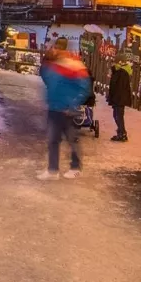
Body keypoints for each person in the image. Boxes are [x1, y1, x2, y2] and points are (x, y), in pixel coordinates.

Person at [38, 37, 91, 180]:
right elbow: (45, 76)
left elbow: (85, 88)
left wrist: (73, 103)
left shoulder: (74, 64)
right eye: (55, 47)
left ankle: (75, 167)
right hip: (55, 107)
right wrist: (46, 60)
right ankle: (53, 170)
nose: (55, 49)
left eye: (57, 47)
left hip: (68, 109)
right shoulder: (53, 64)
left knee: (72, 139)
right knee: (53, 140)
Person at [107, 52, 134, 143]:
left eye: (115, 61)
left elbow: (117, 85)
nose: (114, 63)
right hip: (119, 97)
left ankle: (122, 133)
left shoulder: (122, 72)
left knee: (118, 116)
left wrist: (113, 70)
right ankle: (121, 132)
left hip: (119, 98)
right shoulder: (120, 71)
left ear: (120, 62)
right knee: (117, 115)